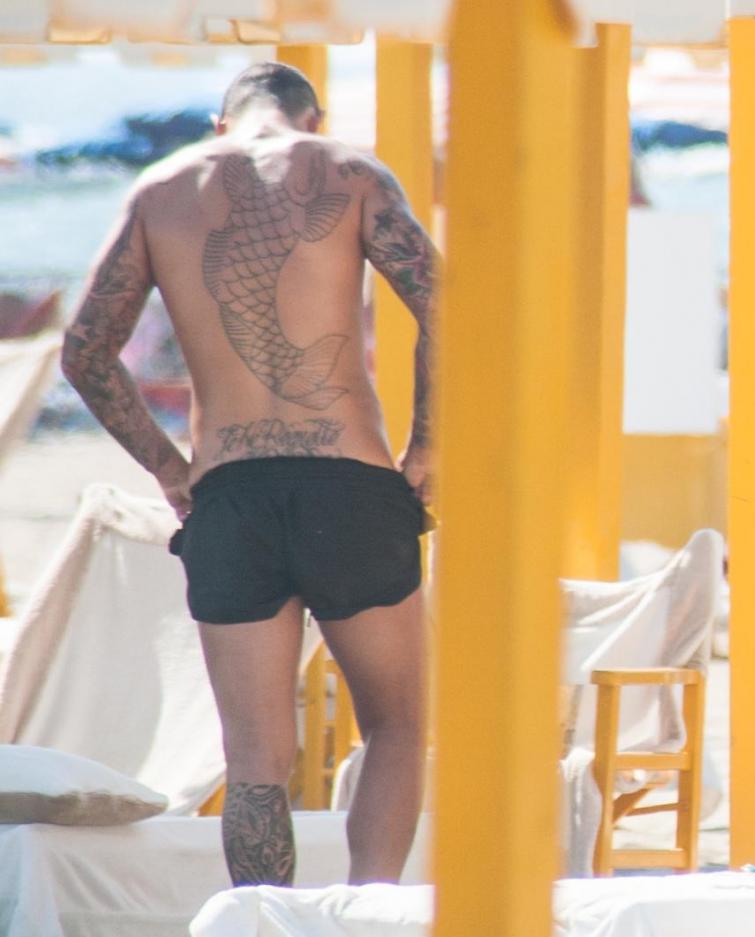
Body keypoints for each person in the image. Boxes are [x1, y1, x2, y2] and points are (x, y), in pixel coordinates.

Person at [61, 63, 435, 886]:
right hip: (349, 483)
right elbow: (446, 307)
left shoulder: (161, 190)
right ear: (313, 116)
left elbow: (84, 352)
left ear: (220, 123)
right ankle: (367, 914)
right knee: (397, 725)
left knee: (256, 760)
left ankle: (263, 921)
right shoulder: (350, 172)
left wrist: (168, 468)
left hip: (230, 496)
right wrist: (427, 448)